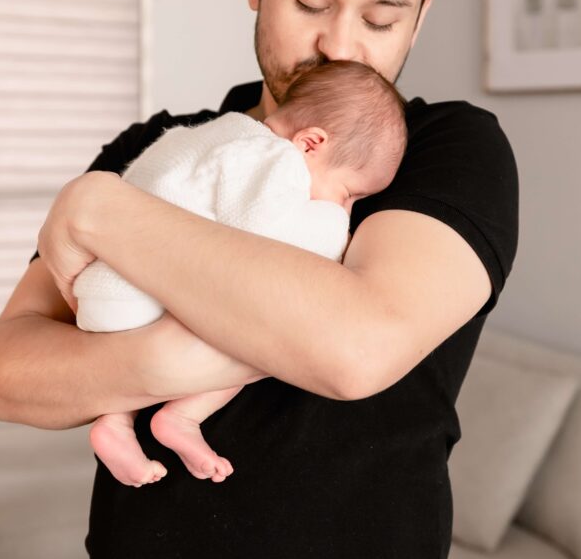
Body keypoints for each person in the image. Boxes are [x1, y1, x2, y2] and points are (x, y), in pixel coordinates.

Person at [0, 0, 519, 559]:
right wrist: (199, 347)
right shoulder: (164, 145)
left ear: (421, 13)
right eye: (309, 1)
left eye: (382, 17)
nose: (341, 45)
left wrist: (99, 212)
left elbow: (353, 348)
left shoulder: (446, 151)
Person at [76, 60, 407, 488]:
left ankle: (116, 421)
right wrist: (334, 223)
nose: (346, 205)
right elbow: (262, 244)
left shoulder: (217, 132)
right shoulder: (276, 162)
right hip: (139, 297)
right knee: (263, 336)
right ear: (310, 143)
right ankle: (182, 416)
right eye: (348, 192)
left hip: (103, 289)